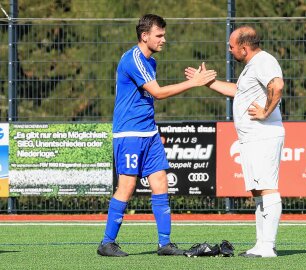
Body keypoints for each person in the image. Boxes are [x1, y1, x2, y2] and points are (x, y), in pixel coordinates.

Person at [97, 14, 217, 257]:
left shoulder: (150, 62)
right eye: (159, 35)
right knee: (127, 187)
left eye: (164, 34)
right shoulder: (134, 59)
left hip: (149, 133)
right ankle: (106, 242)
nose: (164, 39)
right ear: (145, 36)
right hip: (129, 133)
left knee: (161, 182)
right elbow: (158, 93)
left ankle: (165, 244)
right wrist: (194, 83)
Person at [186, 25, 285, 258]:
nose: (229, 50)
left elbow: (277, 85)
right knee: (258, 191)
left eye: (231, 47)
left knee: (268, 189)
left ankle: (268, 246)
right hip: (251, 138)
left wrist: (266, 112)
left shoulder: (263, 61)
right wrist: (207, 82)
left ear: (244, 47)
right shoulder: (251, 66)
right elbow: (237, 91)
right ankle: (261, 244)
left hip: (263, 136)